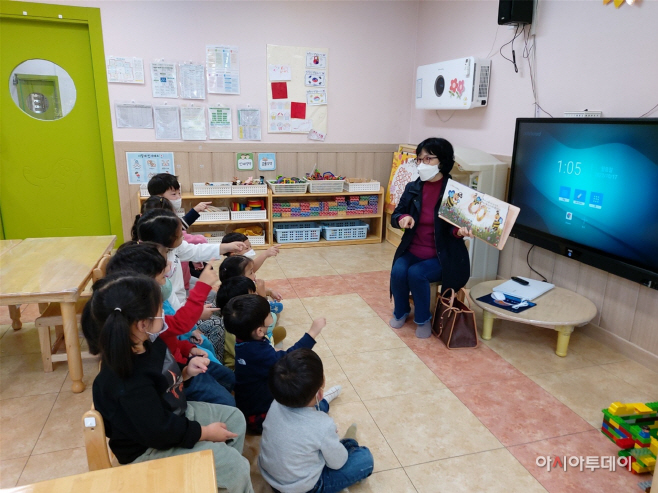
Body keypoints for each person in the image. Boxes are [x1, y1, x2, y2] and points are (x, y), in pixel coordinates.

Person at [84, 273, 253, 493]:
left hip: (172, 416)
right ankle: (223, 473)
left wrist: (185, 372)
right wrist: (205, 433)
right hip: (149, 449)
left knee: (234, 418)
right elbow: (159, 431)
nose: (164, 314)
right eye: (159, 311)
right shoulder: (126, 383)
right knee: (236, 466)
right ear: (142, 324)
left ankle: (214, 480)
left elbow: (162, 385)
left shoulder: (149, 344)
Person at [98, 243, 236, 407]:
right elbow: (179, 324)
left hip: (183, 363)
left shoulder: (150, 311)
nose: (170, 266)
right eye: (163, 275)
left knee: (229, 380)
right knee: (225, 401)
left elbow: (168, 339)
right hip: (177, 373)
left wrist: (187, 348)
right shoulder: (148, 320)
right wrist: (202, 286)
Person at [390, 137, 474, 338]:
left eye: (428, 159)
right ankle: (401, 311)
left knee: (417, 274)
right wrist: (403, 218)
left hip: (442, 255)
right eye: (419, 159)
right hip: (412, 249)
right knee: (399, 270)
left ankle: (423, 319)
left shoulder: (455, 192)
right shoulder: (413, 188)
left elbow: (455, 229)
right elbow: (396, 215)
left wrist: (460, 232)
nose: (422, 164)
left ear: (442, 161)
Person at [259, 349, 373, 493]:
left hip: (272, 479)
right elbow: (338, 463)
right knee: (364, 458)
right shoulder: (323, 426)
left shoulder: (276, 403)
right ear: (320, 391)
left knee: (315, 417)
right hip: (305, 488)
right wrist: (330, 438)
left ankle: (325, 407)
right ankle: (350, 442)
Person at [222, 294, 329, 433]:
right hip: (258, 416)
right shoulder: (257, 352)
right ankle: (324, 400)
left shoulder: (243, 340)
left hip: (248, 401)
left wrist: (272, 353)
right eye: (268, 315)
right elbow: (290, 357)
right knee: (317, 407)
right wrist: (312, 332)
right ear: (259, 331)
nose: (271, 316)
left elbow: (265, 357)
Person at [136, 209, 246, 309]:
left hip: (182, 304)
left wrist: (227, 247)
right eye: (179, 235)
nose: (183, 236)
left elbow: (196, 251)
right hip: (176, 312)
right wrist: (194, 312)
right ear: (167, 240)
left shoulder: (170, 248)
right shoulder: (154, 268)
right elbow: (171, 306)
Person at [147, 173, 211, 229]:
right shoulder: (157, 217)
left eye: (179, 193)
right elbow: (179, 228)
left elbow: (179, 226)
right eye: (174, 194)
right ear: (158, 196)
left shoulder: (167, 211)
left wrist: (196, 210)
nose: (179, 197)